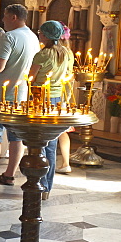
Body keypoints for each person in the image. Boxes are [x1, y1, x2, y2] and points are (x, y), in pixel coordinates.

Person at [0, 4, 39, 186]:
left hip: (0, 94)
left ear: (14, 17)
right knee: (16, 137)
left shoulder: (9, 37)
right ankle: (9, 174)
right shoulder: (33, 37)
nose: (3, 20)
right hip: (21, 94)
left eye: (5, 16)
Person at [28, 20, 74, 198]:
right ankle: (47, 188)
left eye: (40, 32)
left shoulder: (43, 54)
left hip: (41, 99)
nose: (39, 34)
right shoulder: (66, 53)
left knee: (39, 142)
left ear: (46, 35)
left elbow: (31, 78)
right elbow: (69, 76)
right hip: (59, 100)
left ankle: (39, 183)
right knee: (51, 144)